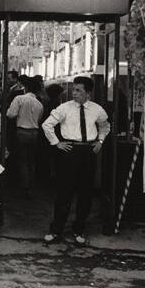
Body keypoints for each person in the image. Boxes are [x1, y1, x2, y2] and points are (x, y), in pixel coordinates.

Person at [41, 76, 109, 245]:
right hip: (69, 151)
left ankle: (79, 230)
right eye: (74, 89)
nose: (74, 93)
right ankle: (56, 230)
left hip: (88, 151)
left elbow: (105, 126)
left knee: (85, 193)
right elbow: (46, 125)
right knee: (64, 192)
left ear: (88, 92)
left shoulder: (97, 109)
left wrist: (100, 141)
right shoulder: (64, 108)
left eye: (79, 90)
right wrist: (56, 143)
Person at [5, 77, 43, 198]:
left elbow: (11, 115)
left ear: (25, 88)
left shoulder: (19, 98)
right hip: (35, 133)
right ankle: (31, 185)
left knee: (22, 161)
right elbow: (39, 119)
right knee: (31, 161)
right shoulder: (39, 103)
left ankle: (24, 187)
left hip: (21, 132)